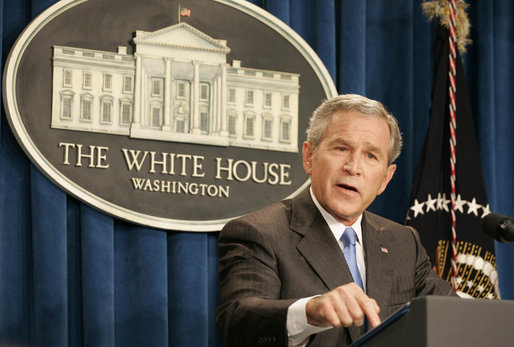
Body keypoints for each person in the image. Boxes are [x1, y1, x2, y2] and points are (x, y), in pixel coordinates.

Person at [216, 94, 456, 347]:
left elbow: (449, 311)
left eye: (371, 156)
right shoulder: (260, 232)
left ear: (385, 178)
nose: (353, 167)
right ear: (309, 157)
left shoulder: (403, 241)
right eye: (341, 148)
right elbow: (238, 319)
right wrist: (310, 311)